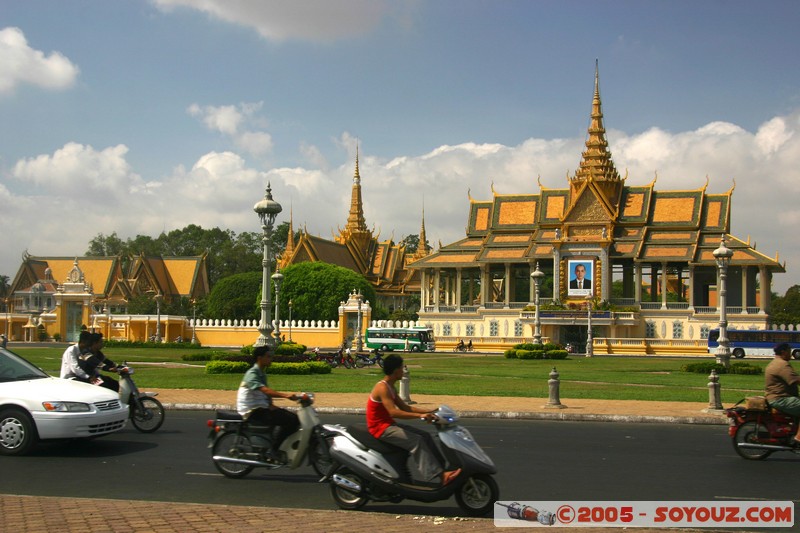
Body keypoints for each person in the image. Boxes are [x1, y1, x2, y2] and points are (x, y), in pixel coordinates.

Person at [366, 354, 461, 486]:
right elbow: (393, 412)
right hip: (380, 428)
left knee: (425, 436)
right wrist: (420, 416)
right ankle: (439, 475)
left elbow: (405, 407)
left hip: (388, 425)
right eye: (401, 368)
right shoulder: (382, 388)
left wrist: (430, 411)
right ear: (395, 371)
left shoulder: (390, 386)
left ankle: (443, 470)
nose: (403, 370)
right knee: (417, 441)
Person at [237, 344, 301, 462]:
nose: (270, 359)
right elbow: (265, 390)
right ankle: (274, 450)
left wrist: (272, 405)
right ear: (260, 358)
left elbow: (265, 393)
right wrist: (286, 395)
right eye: (268, 356)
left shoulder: (261, 373)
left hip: (261, 408)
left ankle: (272, 444)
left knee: (291, 417)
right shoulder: (252, 373)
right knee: (291, 420)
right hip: (251, 411)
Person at [765, 342, 800, 446]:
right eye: (789, 351)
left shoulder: (775, 362)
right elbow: (795, 380)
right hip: (780, 398)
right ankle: (798, 437)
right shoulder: (782, 365)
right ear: (783, 352)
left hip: (778, 396)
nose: (791, 353)